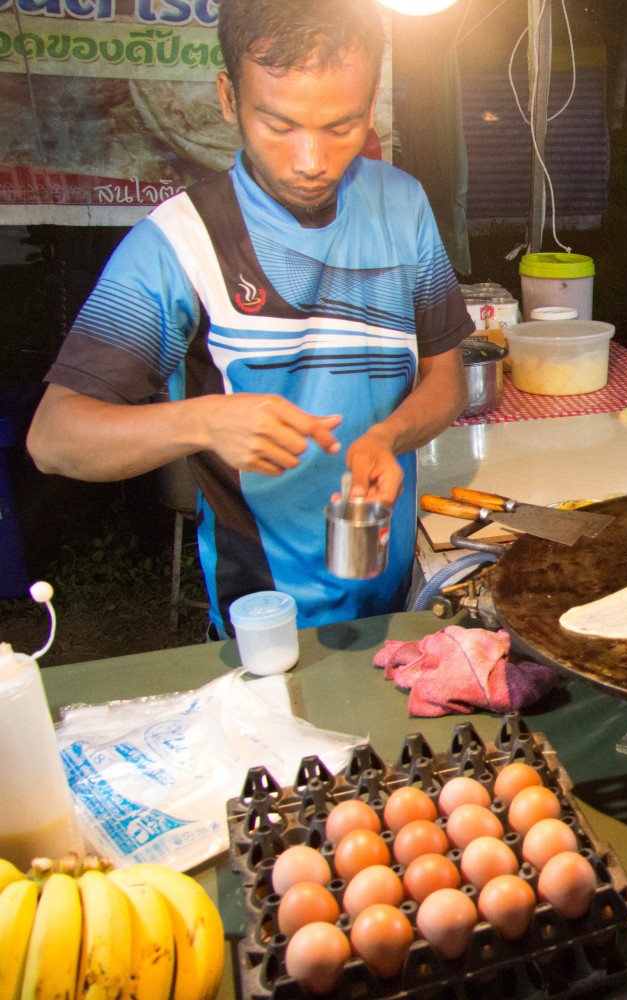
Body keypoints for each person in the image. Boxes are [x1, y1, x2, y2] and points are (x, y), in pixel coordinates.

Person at [27, 0, 472, 636]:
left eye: (341, 127)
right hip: (263, 623)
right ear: (230, 98)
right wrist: (204, 421)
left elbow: (445, 379)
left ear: (372, 104)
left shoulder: (401, 205)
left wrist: (386, 438)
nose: (311, 159)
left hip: (396, 603)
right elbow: (54, 438)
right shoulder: (180, 243)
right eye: (279, 125)